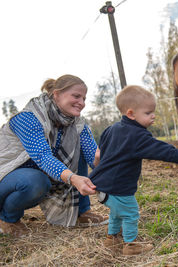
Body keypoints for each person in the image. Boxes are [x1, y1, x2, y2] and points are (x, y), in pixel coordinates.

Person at [89, 85, 178, 256]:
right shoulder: (137, 135)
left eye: (153, 112)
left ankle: (111, 239)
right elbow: (160, 149)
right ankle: (131, 245)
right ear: (131, 114)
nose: (153, 116)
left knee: (117, 213)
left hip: (102, 186)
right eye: (148, 113)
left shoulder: (110, 129)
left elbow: (101, 153)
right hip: (119, 188)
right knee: (130, 213)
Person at [0, 74, 108, 237]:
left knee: (76, 152)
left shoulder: (77, 123)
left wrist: (111, 164)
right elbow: (43, 157)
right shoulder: (28, 118)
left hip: (41, 173)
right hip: (8, 176)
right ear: (56, 94)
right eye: (76, 96)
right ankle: (7, 219)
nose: (82, 103)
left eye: (84, 98)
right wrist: (73, 178)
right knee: (35, 181)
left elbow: (93, 155)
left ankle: (81, 212)